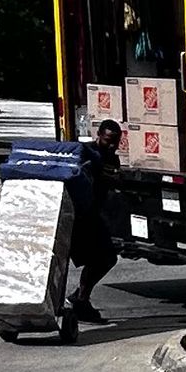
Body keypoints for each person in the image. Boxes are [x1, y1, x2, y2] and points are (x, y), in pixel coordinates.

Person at [67, 118, 125, 325]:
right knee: (104, 258)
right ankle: (80, 299)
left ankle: (81, 297)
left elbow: (111, 184)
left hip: (93, 215)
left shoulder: (112, 160)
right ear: (98, 135)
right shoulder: (86, 154)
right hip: (79, 216)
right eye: (108, 140)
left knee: (105, 258)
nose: (112, 145)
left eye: (116, 141)